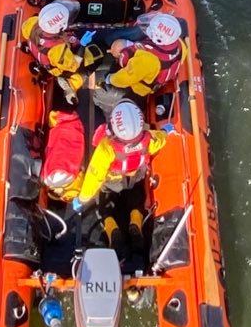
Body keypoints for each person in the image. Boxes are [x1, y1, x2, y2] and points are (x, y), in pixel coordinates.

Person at [72, 99, 175, 255]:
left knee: (104, 206)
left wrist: (82, 198)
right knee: (137, 199)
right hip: (134, 177)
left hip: (112, 181)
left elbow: (95, 175)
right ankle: (135, 222)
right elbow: (159, 140)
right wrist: (166, 132)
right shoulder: (148, 139)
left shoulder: (107, 148)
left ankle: (112, 230)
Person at [21, 0, 98, 104]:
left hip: (51, 52)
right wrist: (82, 45)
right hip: (62, 67)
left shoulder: (33, 23)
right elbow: (74, 64)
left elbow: (25, 31)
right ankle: (72, 81)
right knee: (96, 56)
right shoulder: (57, 49)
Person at [104, 13, 188, 97]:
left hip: (138, 87)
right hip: (151, 71)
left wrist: (110, 79)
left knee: (111, 81)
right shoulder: (178, 44)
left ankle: (106, 83)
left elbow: (126, 78)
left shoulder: (147, 60)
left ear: (159, 39)